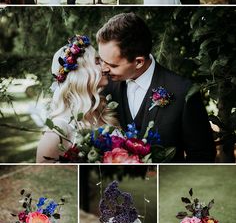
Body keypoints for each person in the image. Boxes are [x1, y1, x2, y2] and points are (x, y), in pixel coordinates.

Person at [97, 11, 216, 163]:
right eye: (102, 60)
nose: (103, 69)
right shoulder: (105, 88)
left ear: (139, 62)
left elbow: (202, 156)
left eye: (112, 65)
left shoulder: (183, 92)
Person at [36, 34, 112, 163]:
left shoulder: (99, 112)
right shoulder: (58, 130)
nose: (106, 67)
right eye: (98, 61)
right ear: (81, 71)